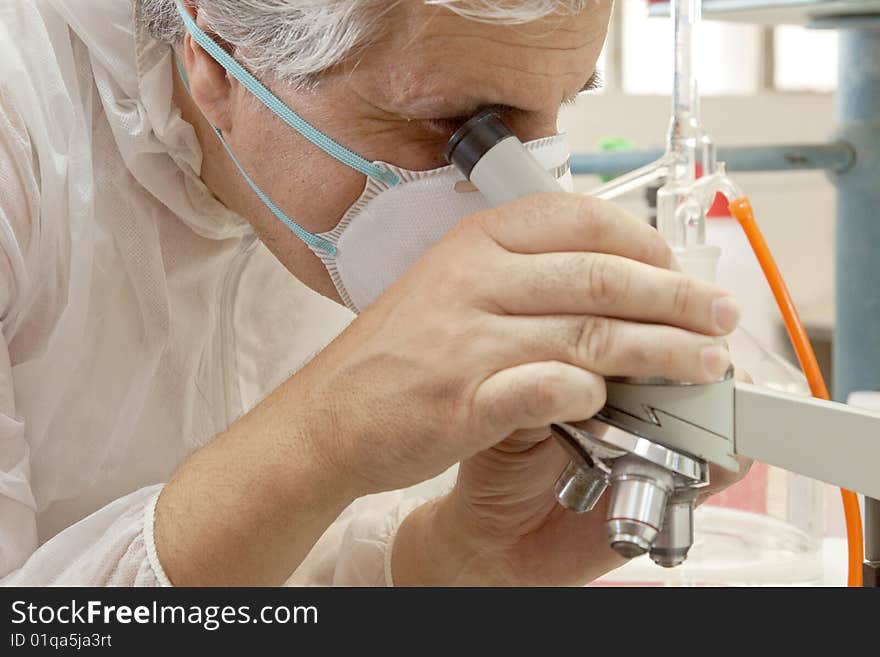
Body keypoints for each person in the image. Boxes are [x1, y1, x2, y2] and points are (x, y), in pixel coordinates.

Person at [0, 0, 747, 587]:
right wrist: (323, 437)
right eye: (454, 127)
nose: (528, 192)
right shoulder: (22, 126)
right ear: (218, 58)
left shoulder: (316, 174)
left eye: (560, 110)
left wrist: (461, 562)